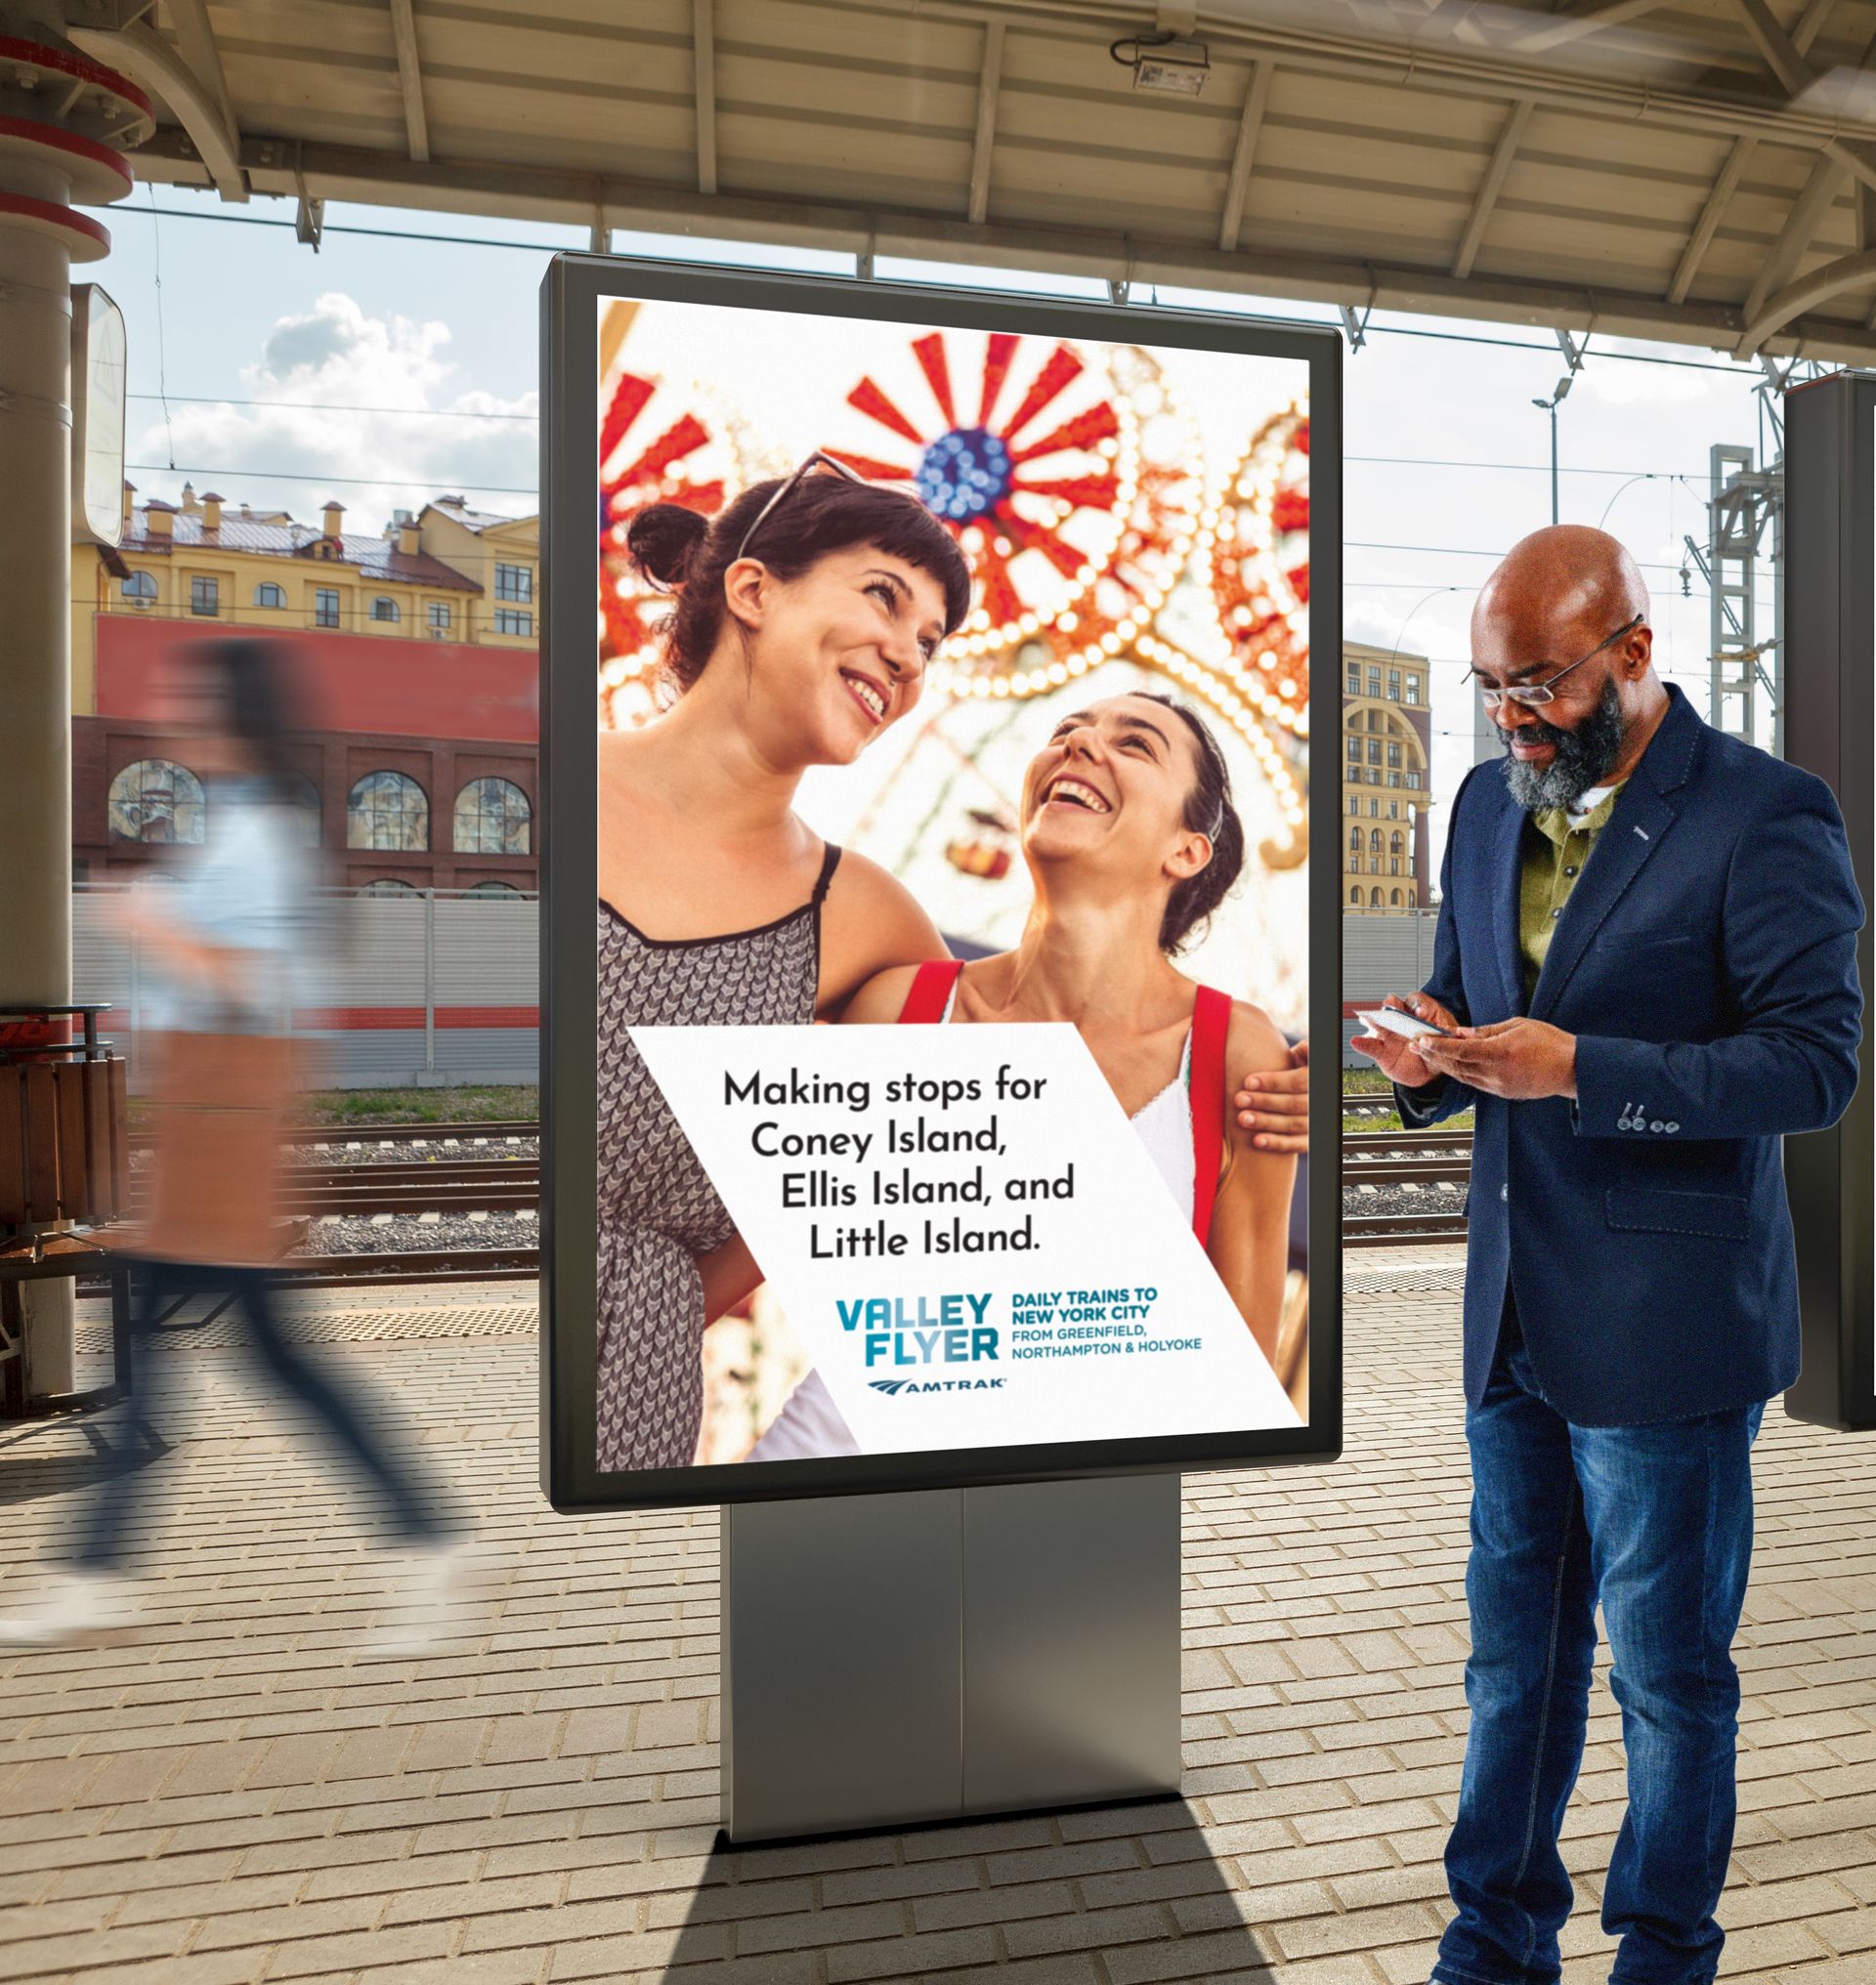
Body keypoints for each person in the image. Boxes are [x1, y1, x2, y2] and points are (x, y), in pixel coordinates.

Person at [1354, 526, 1862, 1985]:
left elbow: (1813, 1068)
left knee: (1669, 1679)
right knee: (1514, 1665)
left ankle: (1663, 1953)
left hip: (1669, 1327)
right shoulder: (1481, 803)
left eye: (1539, 686)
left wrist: (1583, 1068)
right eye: (1490, 688)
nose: (1511, 718)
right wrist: (1423, 1054)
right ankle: (1496, 1942)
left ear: (1635, 653)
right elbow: (1473, 1002)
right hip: (1514, 1314)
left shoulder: (1768, 815)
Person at [1, 640, 457, 1651]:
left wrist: (147, 920)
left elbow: (249, 985)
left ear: (232, 713)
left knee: (196, 1355)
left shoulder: (257, 836)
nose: (171, 711)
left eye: (188, 697)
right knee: (229, 1357)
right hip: (217, 1125)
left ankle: (421, 1544)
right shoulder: (245, 827)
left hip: (228, 1128)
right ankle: (420, 1543)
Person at [748, 690, 1303, 1459]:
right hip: (829, 1462)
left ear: (1186, 850)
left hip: (1071, 1508)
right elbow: (762, 1225)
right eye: (1066, 732)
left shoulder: (1235, 1055)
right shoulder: (901, 1009)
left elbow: (1235, 1383)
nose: (1078, 746)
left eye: (1135, 744)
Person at [597, 455, 973, 1471]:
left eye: (929, 643)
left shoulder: (866, 916)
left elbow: (968, 1114)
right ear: (753, 590)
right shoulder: (547, 784)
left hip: (633, 1378)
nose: (907, 656)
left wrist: (671, 1292)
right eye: (883, 598)